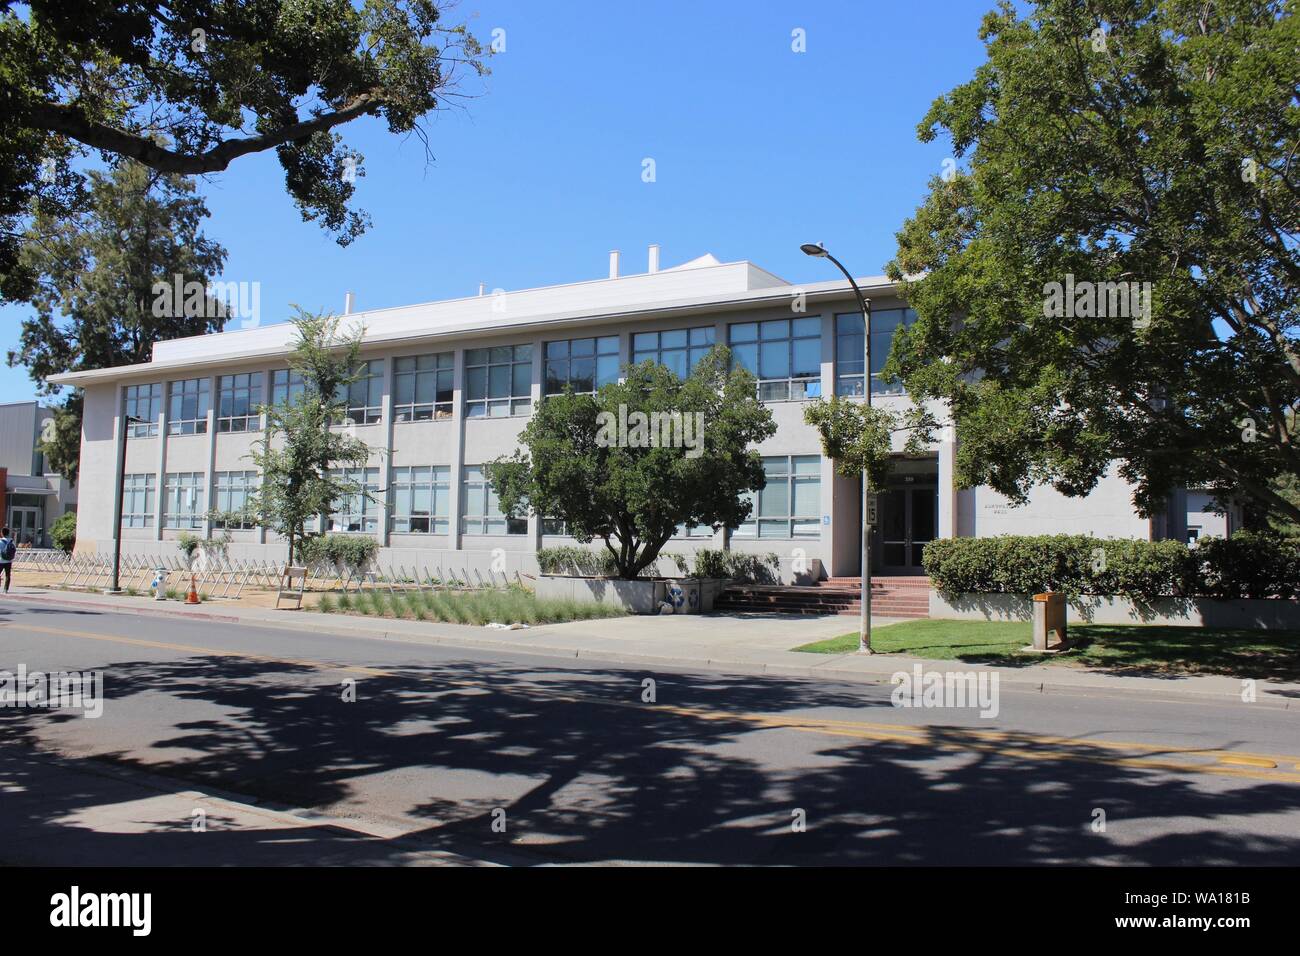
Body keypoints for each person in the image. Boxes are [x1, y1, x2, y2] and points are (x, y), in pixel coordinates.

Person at [0, 526, 14, 593]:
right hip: (9, 560)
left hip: (1, 560)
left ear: (2, 533)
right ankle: (6, 589)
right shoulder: (11, 541)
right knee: (8, 575)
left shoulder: (0, 541)